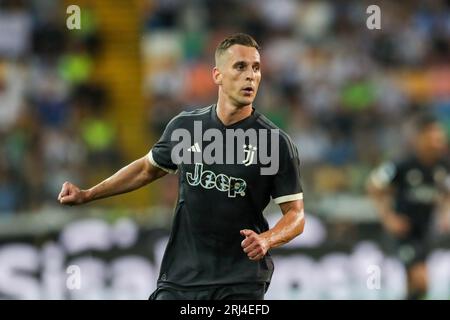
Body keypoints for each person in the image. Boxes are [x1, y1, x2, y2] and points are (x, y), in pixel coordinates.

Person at [58, 33, 305, 300]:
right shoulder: (186, 128)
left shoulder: (273, 142)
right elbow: (146, 169)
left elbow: (296, 215)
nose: (251, 76)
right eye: (240, 66)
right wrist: (88, 194)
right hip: (181, 277)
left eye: (256, 68)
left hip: (240, 280)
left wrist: (267, 239)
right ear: (217, 75)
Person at [367, 114, 450, 300]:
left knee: (414, 286)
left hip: (425, 232)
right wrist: (388, 218)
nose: (438, 142)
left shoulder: (443, 166)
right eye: (433, 137)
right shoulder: (402, 164)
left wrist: (445, 213)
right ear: (420, 138)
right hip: (404, 232)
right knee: (421, 280)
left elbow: (447, 192)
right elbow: (373, 186)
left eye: (440, 137)